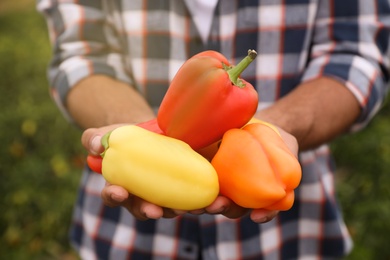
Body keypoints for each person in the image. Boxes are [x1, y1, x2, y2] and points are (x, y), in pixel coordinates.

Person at [37, 0, 390, 259]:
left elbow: (355, 55)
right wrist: (136, 130)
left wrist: (271, 134)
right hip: (124, 241)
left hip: (291, 239)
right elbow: (80, 53)